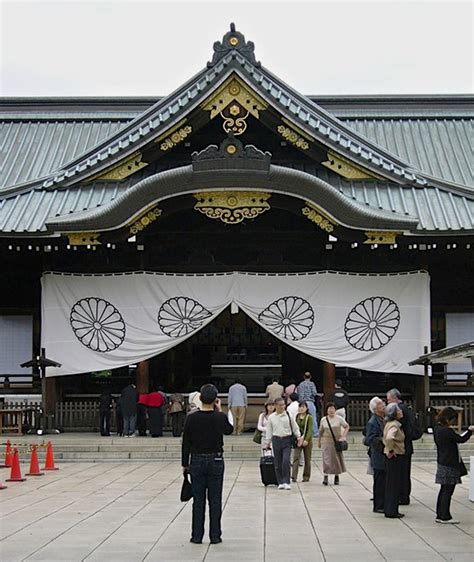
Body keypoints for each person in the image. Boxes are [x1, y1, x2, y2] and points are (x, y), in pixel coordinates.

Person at [182, 384, 233, 545]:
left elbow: (186, 442)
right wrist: (219, 410)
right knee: (215, 499)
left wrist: (185, 463)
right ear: (215, 400)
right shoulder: (219, 417)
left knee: (198, 500)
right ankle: (215, 535)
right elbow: (229, 430)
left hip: (196, 459)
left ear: (201, 399)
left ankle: (197, 535)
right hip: (216, 459)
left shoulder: (191, 417)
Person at [433, 407, 473, 524]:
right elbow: (460, 439)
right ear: (448, 419)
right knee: (448, 491)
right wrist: (470, 430)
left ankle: (440, 513)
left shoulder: (437, 429)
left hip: (442, 462)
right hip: (450, 463)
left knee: (443, 489)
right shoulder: (447, 431)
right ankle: (445, 515)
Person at [386, 388, 420, 505]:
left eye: (389, 400)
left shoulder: (400, 411)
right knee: (405, 473)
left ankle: (402, 496)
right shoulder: (407, 408)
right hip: (406, 445)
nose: (388, 403)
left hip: (401, 446)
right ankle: (404, 495)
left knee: (401, 474)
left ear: (395, 398)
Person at [265, 397, 302, 490]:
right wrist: (268, 442)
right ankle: (280, 481)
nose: (282, 407)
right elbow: (269, 430)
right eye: (280, 405)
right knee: (277, 462)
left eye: (283, 405)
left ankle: (286, 481)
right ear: (276, 406)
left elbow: (295, 427)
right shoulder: (271, 417)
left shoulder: (288, 415)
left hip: (287, 440)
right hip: (276, 440)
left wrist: (298, 436)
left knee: (286, 460)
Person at [317, 402, 349, 485]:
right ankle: (325, 476)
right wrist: (319, 441)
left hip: (336, 441)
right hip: (326, 441)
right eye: (329, 408)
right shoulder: (323, 420)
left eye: (333, 408)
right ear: (327, 410)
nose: (331, 410)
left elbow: (346, 426)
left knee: (336, 459)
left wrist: (343, 436)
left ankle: (336, 476)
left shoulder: (339, 418)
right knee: (326, 459)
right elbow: (320, 431)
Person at [383, 402, 405, 519]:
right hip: (395, 456)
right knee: (394, 484)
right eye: (399, 411)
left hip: (391, 455)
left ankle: (390, 508)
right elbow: (389, 437)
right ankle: (392, 510)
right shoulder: (394, 425)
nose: (401, 412)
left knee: (391, 483)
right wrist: (391, 450)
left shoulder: (389, 423)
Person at [363, 396, 386, 513]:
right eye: (381, 405)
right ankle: (379, 505)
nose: (384, 406)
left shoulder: (383, 419)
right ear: (375, 409)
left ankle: (384, 503)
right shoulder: (373, 422)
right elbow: (369, 439)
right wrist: (383, 441)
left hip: (384, 455)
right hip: (378, 455)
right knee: (379, 481)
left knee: (384, 480)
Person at [291, 401, 314, 482]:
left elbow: (310, 429)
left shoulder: (309, 417)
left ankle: (306, 476)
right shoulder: (297, 416)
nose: (301, 408)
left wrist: (306, 440)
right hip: (298, 439)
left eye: (303, 407)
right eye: (300, 407)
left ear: (306, 408)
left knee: (307, 459)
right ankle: (294, 476)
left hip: (307, 440)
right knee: (296, 458)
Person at [297, 372, 319, 437]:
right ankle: (314, 433)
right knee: (313, 417)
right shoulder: (312, 384)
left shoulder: (300, 384)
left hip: (302, 403)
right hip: (310, 402)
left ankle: (302, 432)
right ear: (310, 377)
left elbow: (299, 394)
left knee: (302, 417)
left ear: (304, 377)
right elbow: (314, 393)